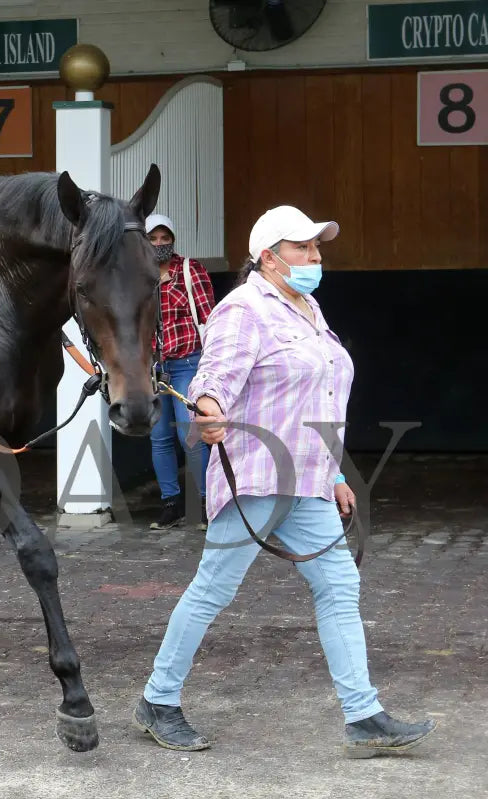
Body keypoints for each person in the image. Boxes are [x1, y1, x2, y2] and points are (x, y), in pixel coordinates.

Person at [134, 205, 437, 758]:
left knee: (340, 588)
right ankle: (158, 698)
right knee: (213, 590)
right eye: (305, 248)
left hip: (309, 481)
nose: (317, 258)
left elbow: (318, 399)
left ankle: (364, 716)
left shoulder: (308, 307)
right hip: (256, 476)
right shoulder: (244, 309)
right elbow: (214, 376)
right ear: (269, 257)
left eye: (318, 249)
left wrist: (338, 471)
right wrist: (207, 410)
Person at [146, 214, 215, 530]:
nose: (159, 243)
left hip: (188, 362)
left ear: (172, 239)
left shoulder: (190, 269)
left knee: (191, 436)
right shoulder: (136, 274)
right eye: (153, 238)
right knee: (159, 438)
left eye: (164, 237)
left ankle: (203, 504)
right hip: (153, 368)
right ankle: (170, 504)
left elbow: (209, 316)